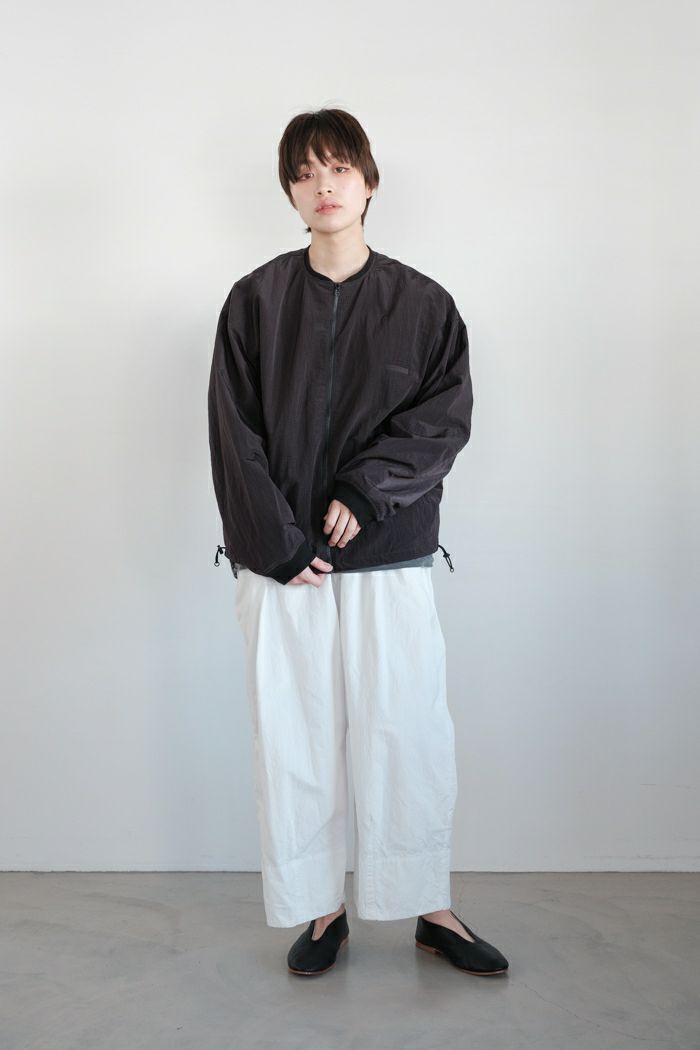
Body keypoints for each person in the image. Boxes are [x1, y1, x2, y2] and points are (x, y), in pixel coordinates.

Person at [207, 107, 509, 978]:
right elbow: (233, 431)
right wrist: (276, 541)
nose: (324, 185)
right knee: (294, 736)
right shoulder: (255, 301)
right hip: (284, 565)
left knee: (405, 729)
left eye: (339, 168)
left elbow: (444, 420)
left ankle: (429, 907)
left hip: (389, 551)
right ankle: (321, 907)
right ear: (290, 192)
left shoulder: (423, 304)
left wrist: (364, 491)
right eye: (306, 172)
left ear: (369, 182)